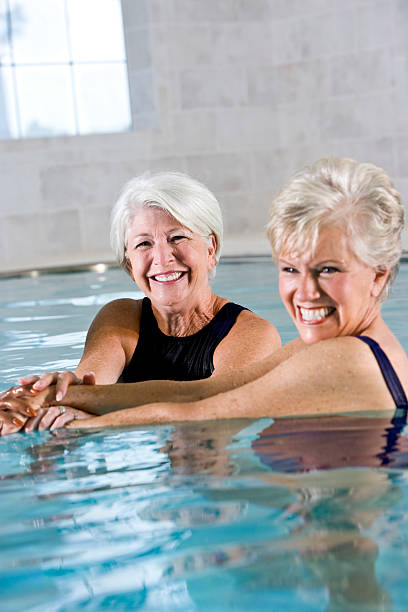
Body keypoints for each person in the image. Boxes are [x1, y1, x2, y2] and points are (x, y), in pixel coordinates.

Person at [2, 157, 407, 430]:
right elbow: (197, 390)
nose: (305, 292)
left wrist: (69, 424)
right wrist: (48, 399)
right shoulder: (341, 347)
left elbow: (198, 414)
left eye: (329, 270)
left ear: (378, 276)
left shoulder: (350, 357)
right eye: (289, 269)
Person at [0, 172, 280, 434]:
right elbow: (87, 392)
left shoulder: (252, 335)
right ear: (129, 264)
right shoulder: (120, 318)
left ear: (211, 248)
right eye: (144, 244)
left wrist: (95, 416)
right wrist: (41, 401)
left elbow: (211, 405)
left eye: (177, 237)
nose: (162, 258)